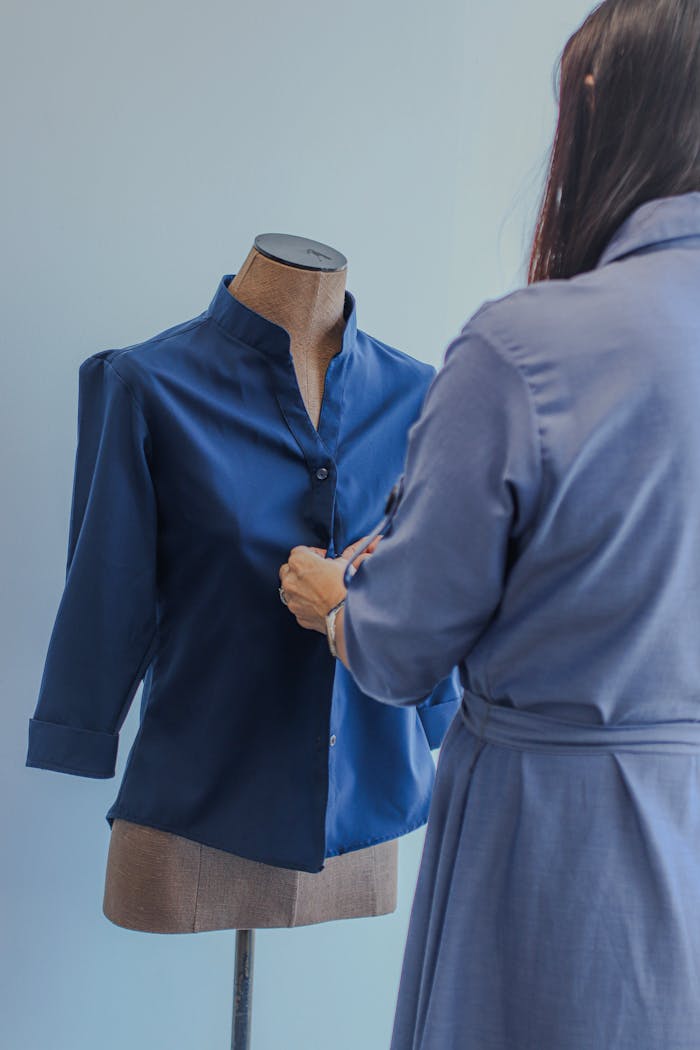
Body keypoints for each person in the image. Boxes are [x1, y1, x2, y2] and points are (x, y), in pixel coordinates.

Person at [278, 0, 700, 1045]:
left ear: (599, 113)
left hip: (564, 845)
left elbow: (403, 646)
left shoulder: (527, 349)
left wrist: (342, 605)